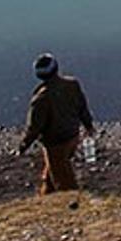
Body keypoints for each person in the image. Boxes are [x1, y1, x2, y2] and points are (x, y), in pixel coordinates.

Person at [19, 54, 95, 194]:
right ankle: (46, 195)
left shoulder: (41, 99)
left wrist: (22, 147)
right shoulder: (72, 84)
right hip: (73, 136)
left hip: (55, 144)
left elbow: (34, 128)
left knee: (65, 182)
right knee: (53, 173)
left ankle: (75, 207)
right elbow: (82, 107)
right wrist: (88, 126)